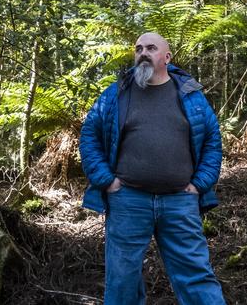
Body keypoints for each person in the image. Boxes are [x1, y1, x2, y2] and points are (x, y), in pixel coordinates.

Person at [79, 32, 225, 304]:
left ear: (167, 57)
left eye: (151, 48)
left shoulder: (191, 96)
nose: (143, 53)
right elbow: (89, 135)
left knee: (196, 275)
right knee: (122, 281)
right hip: (128, 201)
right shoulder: (117, 94)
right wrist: (106, 181)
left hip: (180, 202)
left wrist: (200, 183)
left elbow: (212, 141)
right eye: (138, 48)